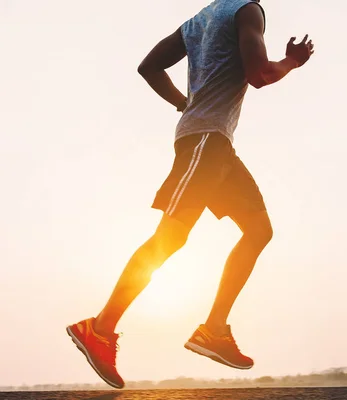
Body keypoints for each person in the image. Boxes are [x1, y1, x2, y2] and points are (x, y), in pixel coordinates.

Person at [66, 0, 314, 389]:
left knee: (259, 230)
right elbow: (261, 74)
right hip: (205, 142)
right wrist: (292, 62)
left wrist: (184, 103)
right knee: (171, 237)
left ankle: (213, 330)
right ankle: (99, 328)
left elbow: (148, 67)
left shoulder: (201, 18)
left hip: (214, 144)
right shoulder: (248, 11)